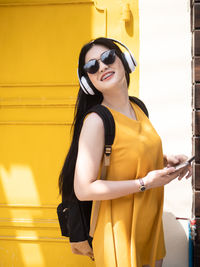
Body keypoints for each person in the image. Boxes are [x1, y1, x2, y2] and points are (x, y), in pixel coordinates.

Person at [59, 37, 192, 267]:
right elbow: (84, 189)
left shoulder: (138, 107)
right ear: (88, 81)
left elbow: (127, 154)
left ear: (124, 59)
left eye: (108, 57)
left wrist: (166, 160)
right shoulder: (96, 121)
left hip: (149, 227)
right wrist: (143, 183)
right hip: (118, 233)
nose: (102, 67)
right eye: (92, 67)